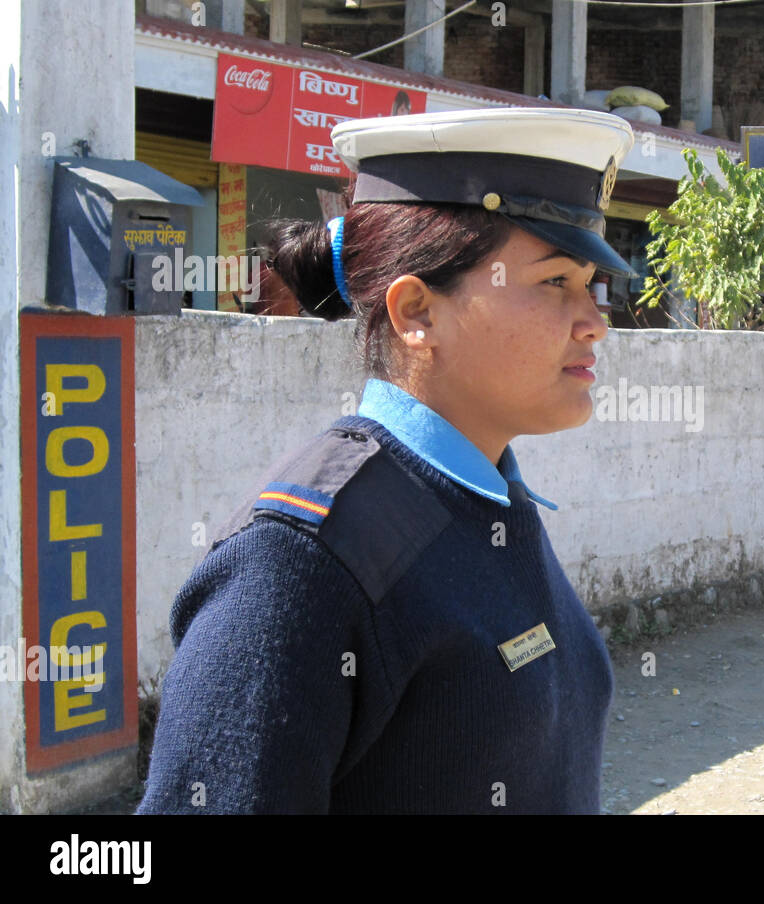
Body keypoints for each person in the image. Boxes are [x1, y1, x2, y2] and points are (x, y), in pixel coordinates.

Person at [136, 107, 638, 814]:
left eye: (593, 284)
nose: (594, 319)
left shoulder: (488, 496)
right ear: (416, 313)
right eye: (556, 281)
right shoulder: (300, 565)